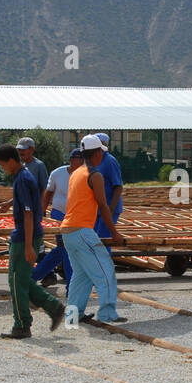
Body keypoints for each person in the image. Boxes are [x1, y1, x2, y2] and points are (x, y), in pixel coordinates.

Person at [0, 144, 66, 339]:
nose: (3, 169)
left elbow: (28, 213)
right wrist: (9, 203)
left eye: (2, 165)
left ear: (10, 161)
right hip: (26, 234)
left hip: (25, 236)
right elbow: (27, 201)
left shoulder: (23, 179)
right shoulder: (22, 177)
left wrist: (27, 245)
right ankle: (54, 307)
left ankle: (22, 325)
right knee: (21, 279)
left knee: (16, 282)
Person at [59, 134, 126, 324]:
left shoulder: (75, 173)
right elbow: (103, 206)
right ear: (97, 153)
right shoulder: (94, 175)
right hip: (82, 231)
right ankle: (107, 315)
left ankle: (73, 317)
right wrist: (114, 232)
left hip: (68, 231)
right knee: (105, 273)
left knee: (81, 277)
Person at [31, 147, 82, 286]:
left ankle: (34, 276)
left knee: (62, 249)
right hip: (59, 214)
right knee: (67, 248)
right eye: (78, 160)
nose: (81, 163)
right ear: (72, 160)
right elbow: (48, 192)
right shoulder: (58, 173)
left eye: (82, 160)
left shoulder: (86, 174)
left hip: (77, 216)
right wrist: (42, 212)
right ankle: (71, 285)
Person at [91, 132, 123, 247]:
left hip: (109, 208)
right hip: (98, 209)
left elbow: (118, 186)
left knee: (102, 240)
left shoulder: (110, 161)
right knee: (95, 238)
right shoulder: (96, 161)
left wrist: (111, 209)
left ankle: (105, 264)